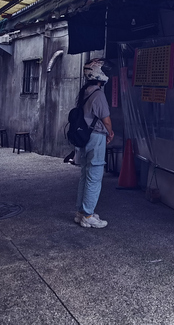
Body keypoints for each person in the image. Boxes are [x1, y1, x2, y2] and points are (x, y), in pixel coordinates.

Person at [74, 58, 114, 228]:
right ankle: (89, 215)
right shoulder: (98, 94)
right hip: (96, 138)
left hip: (84, 138)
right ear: (99, 73)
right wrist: (110, 133)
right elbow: (106, 119)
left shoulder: (85, 91)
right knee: (95, 176)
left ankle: (81, 212)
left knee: (85, 174)